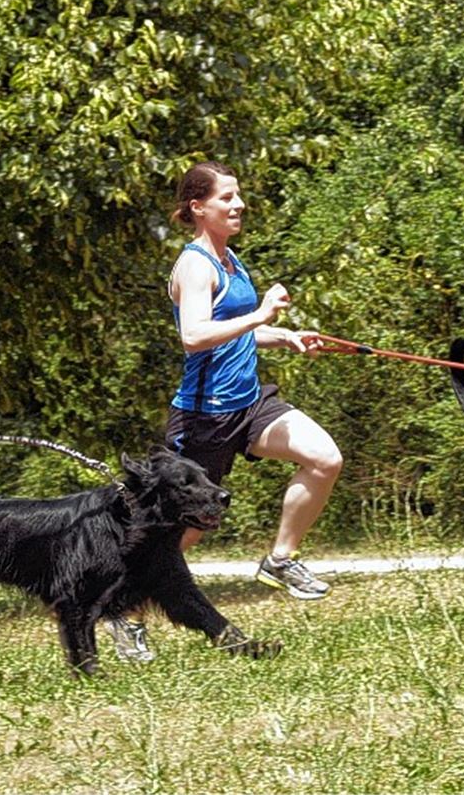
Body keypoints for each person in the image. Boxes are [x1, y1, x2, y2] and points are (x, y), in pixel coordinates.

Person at [107, 161, 343, 661]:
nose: (238, 205)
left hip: (249, 401)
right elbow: (194, 337)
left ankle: (280, 559)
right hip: (204, 417)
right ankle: (120, 614)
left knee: (324, 458)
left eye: (238, 197)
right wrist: (261, 313)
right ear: (198, 207)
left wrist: (285, 336)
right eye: (226, 198)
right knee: (177, 535)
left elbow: (236, 330)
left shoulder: (231, 259)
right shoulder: (194, 265)